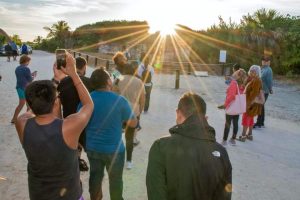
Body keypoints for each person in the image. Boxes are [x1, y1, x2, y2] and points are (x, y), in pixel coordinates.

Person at [14, 52, 94, 200]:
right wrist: (74, 75)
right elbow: (89, 104)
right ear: (56, 102)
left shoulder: (21, 123)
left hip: (38, 195)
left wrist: (56, 82)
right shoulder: (69, 127)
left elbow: (38, 110)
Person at [146, 92, 232, 200]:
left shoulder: (160, 147)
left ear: (178, 113)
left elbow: (156, 195)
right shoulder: (222, 153)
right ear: (205, 118)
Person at [80, 68, 137, 200]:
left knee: (95, 177)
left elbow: (80, 121)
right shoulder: (120, 100)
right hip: (115, 150)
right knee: (116, 181)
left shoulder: (87, 100)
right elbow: (133, 123)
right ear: (108, 82)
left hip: (93, 148)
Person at [57, 56, 93, 171]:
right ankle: (79, 160)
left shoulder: (63, 82)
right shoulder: (89, 82)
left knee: (73, 142)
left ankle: (76, 161)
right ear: (84, 67)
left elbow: (59, 101)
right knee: (83, 141)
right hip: (85, 120)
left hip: (68, 118)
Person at [114, 62, 145, 169]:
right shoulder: (139, 82)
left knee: (117, 135)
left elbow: (113, 92)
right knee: (130, 138)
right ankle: (129, 161)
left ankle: (116, 158)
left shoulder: (119, 79)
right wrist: (139, 111)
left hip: (120, 110)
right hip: (133, 111)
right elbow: (142, 99)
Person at [219, 69, 247, 146]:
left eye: (236, 72)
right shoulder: (242, 85)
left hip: (231, 106)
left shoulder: (234, 83)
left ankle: (224, 140)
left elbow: (231, 96)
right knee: (235, 123)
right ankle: (233, 140)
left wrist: (225, 105)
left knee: (227, 124)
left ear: (238, 75)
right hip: (237, 107)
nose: (234, 73)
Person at [238, 65, 263, 142]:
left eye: (254, 71)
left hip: (250, 103)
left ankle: (243, 136)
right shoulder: (254, 79)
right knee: (251, 119)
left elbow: (254, 94)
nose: (252, 73)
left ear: (257, 72)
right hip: (251, 103)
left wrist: (248, 104)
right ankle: (249, 135)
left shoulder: (257, 80)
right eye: (251, 71)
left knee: (246, 119)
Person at [11, 55, 36, 124]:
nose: (29, 63)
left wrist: (31, 74)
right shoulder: (26, 69)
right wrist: (34, 76)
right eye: (28, 61)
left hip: (19, 87)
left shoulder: (17, 68)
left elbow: (22, 77)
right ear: (26, 61)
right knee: (23, 104)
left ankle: (15, 118)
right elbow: (30, 80)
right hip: (24, 88)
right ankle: (23, 119)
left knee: (24, 104)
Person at [254, 56, 273, 128]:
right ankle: (261, 122)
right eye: (263, 61)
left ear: (268, 62)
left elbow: (269, 81)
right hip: (261, 90)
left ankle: (259, 122)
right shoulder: (262, 68)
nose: (264, 62)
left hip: (265, 91)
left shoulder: (268, 70)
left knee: (260, 105)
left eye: (266, 61)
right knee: (261, 106)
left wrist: (270, 89)